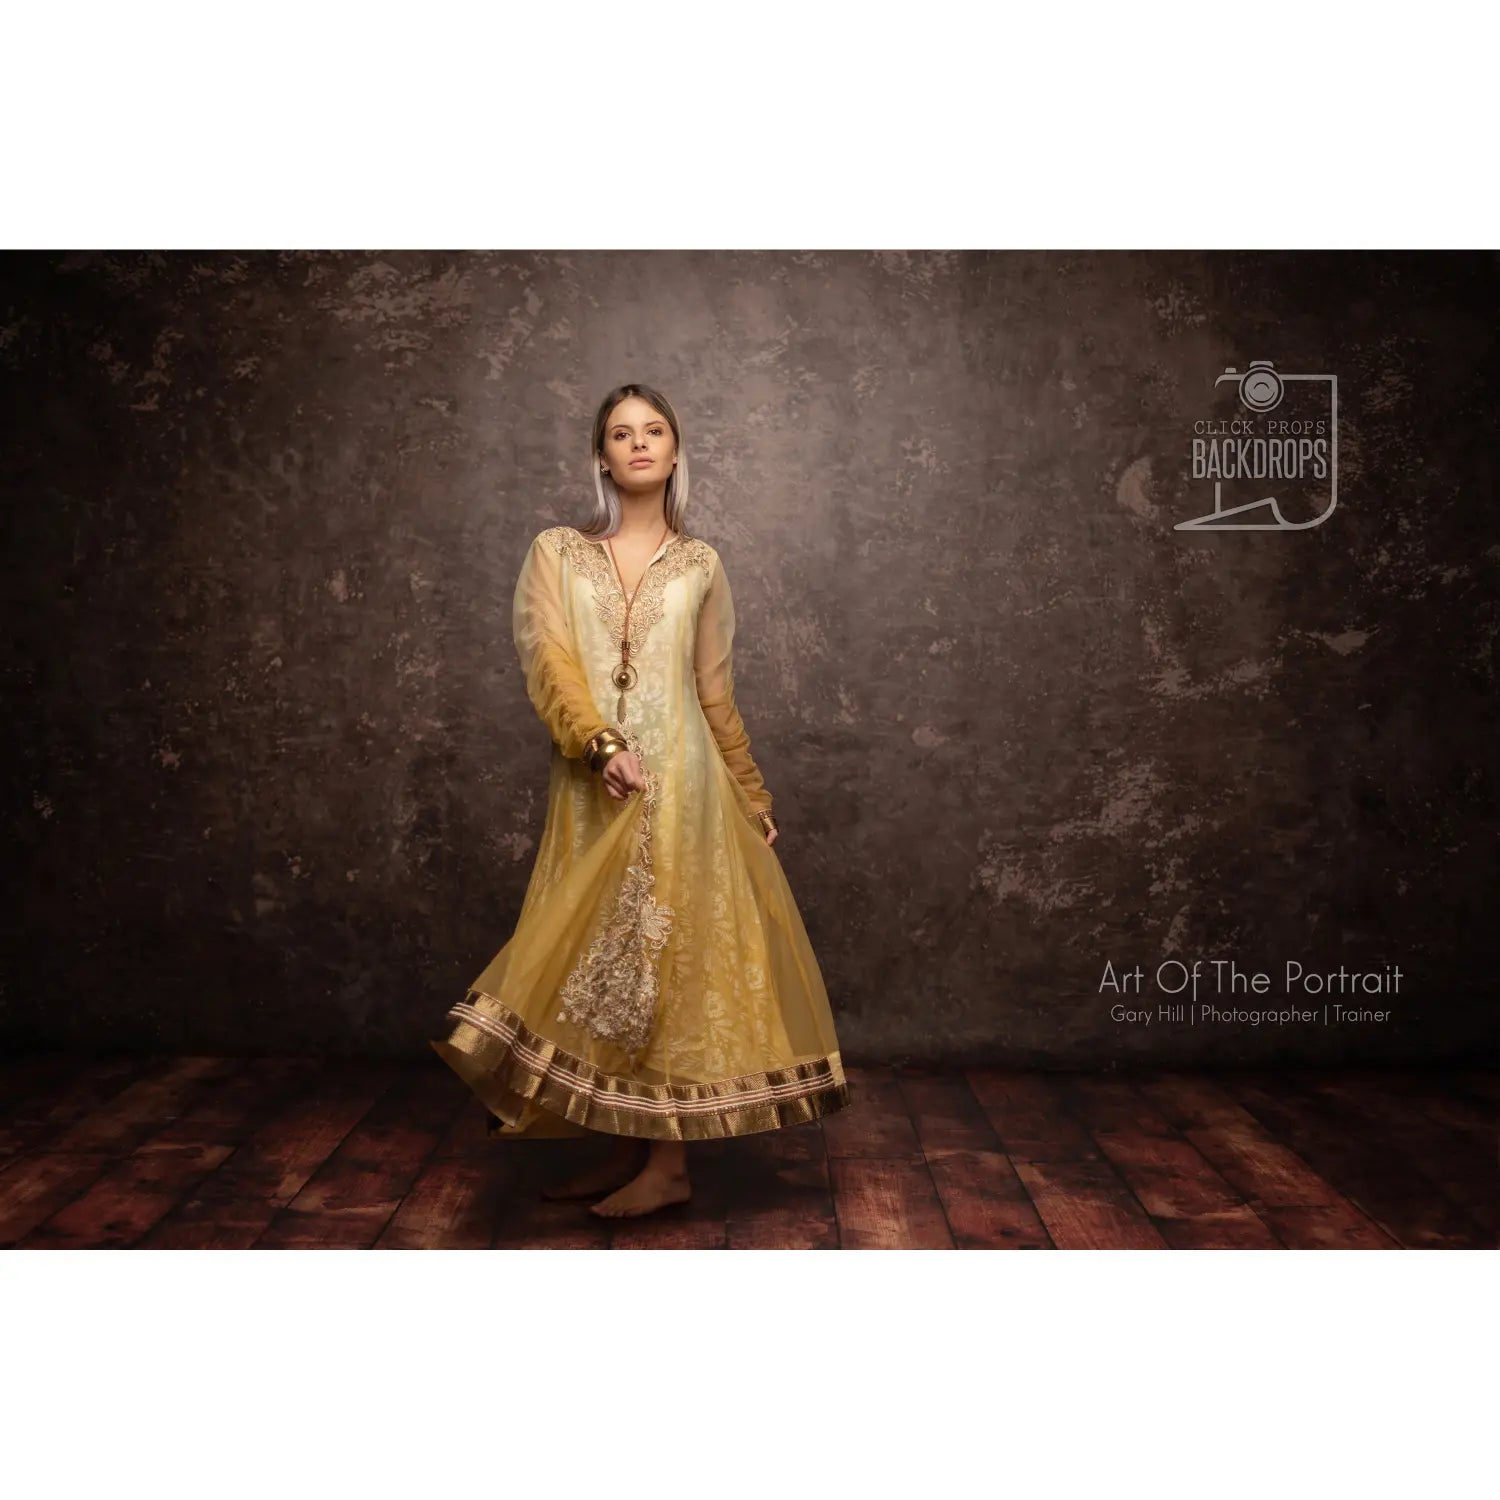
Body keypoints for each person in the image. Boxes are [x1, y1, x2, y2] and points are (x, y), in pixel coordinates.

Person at [430, 382, 850, 1219]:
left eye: (655, 430)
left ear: (675, 451)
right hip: (596, 784)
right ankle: (629, 1151)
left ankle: (668, 1168)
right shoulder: (557, 552)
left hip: (686, 790)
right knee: (608, 966)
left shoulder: (700, 564)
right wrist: (601, 745)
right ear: (601, 456)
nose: (640, 444)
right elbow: (550, 662)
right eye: (622, 434)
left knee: (666, 960)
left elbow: (713, 692)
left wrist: (750, 790)